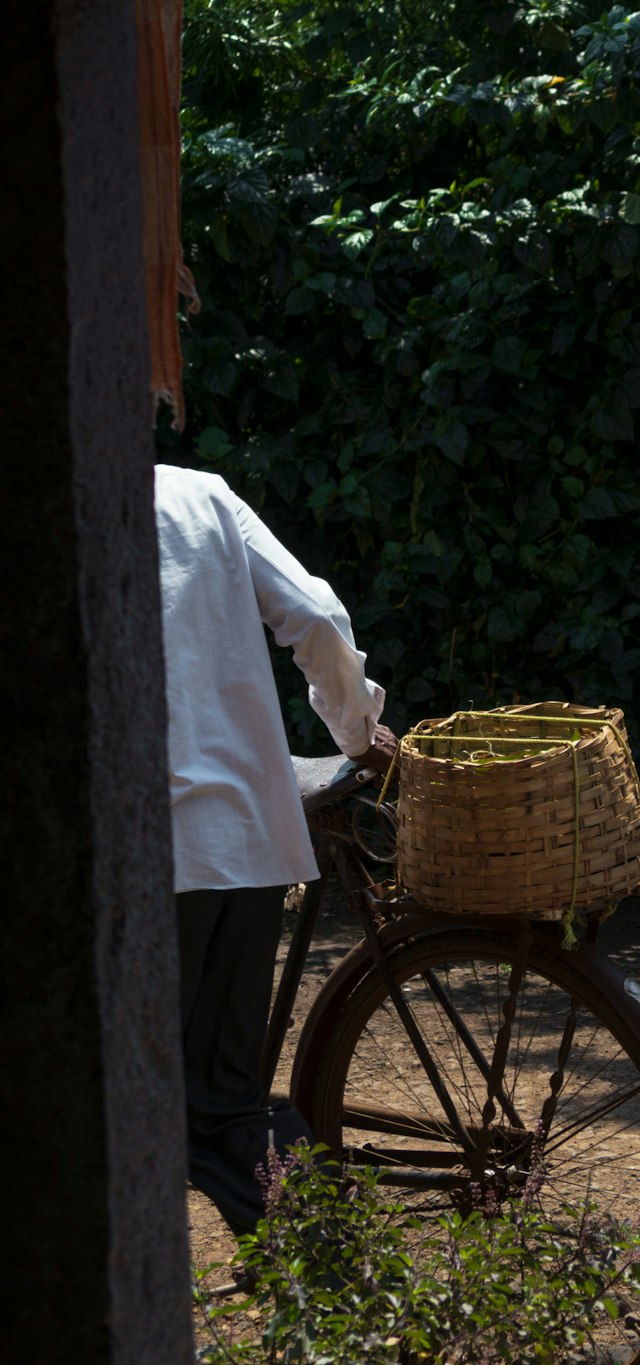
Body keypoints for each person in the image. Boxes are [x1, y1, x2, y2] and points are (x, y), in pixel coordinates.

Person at [154, 463, 397, 1235]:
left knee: (126, 1104)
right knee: (225, 1100)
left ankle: (330, 1287)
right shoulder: (201, 494)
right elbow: (317, 614)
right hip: (246, 832)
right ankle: (338, 1299)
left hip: (142, 855)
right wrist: (358, 731)